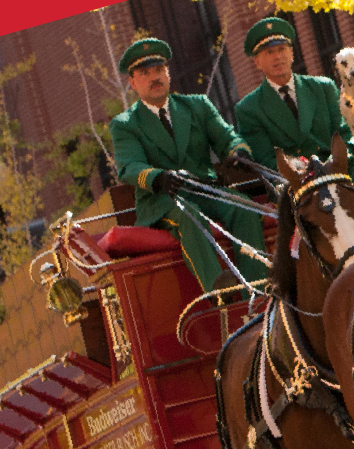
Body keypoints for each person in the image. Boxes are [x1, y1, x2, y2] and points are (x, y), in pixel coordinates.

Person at [108, 37, 268, 293]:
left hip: (205, 190)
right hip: (162, 201)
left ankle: (258, 286)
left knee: (243, 206)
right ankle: (221, 292)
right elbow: (129, 166)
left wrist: (239, 152)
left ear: (168, 73)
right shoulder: (125, 124)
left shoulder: (197, 106)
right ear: (132, 83)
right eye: (145, 73)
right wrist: (158, 177)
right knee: (188, 216)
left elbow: (227, 137)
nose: (154, 77)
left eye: (159, 70)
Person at [232, 17, 354, 229]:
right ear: (257, 62)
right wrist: (301, 172)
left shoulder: (322, 87)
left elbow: (344, 133)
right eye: (269, 52)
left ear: (292, 53)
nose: (278, 56)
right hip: (296, 180)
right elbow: (266, 159)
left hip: (334, 166)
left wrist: (342, 158)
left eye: (282, 49)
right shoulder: (249, 108)